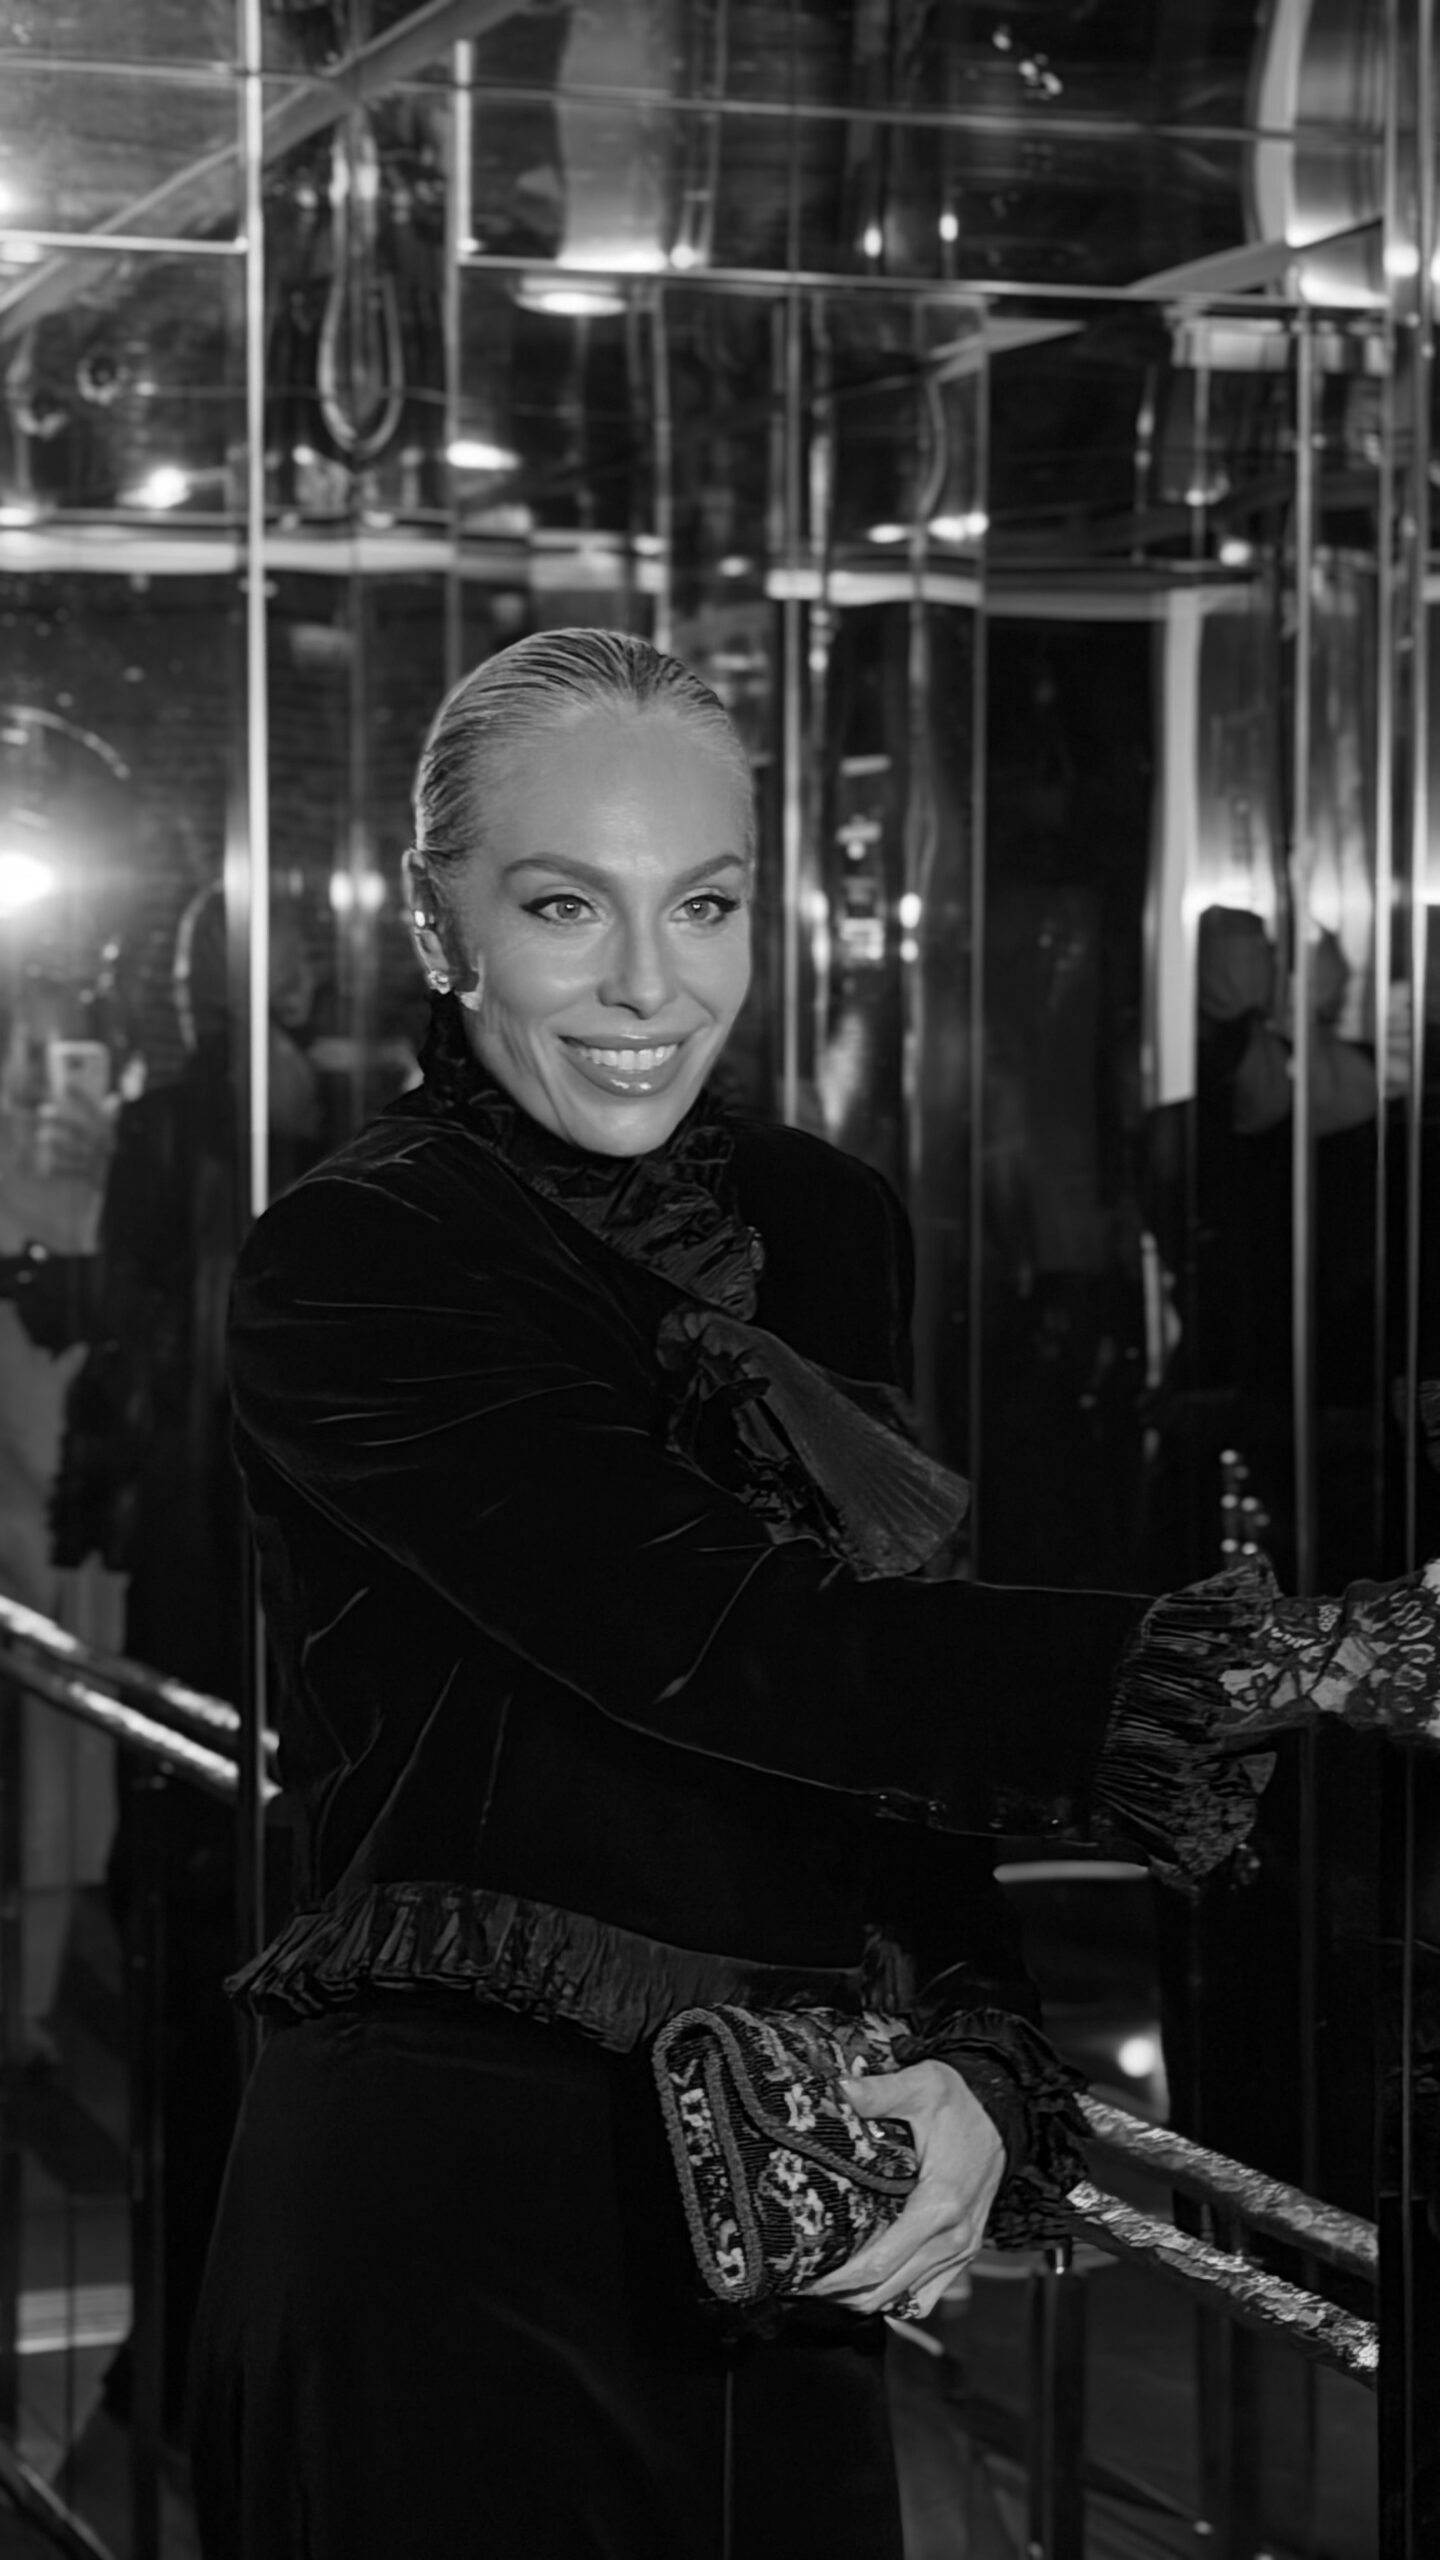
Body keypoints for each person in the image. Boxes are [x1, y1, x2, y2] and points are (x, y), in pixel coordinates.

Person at [188, 630, 1440, 2560]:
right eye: (563, 905)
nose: (648, 983)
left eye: (704, 905)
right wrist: (1324, 1657)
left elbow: (893, 1712)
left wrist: (977, 2053)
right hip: (457, 2208)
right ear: (441, 924)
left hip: (789, 2201)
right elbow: (733, 1644)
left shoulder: (826, 1220)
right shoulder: (357, 1257)